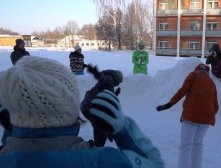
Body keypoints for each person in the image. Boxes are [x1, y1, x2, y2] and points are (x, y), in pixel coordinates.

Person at [0, 56, 164, 168]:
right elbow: (154, 164)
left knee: (99, 127)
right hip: (96, 106)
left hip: (90, 103)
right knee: (103, 126)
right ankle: (99, 144)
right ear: (68, 102)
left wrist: (11, 130)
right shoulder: (106, 161)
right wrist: (122, 130)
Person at [156, 63, 219, 168]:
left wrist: (169, 104)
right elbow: (216, 106)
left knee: (186, 145)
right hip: (207, 119)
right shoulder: (212, 82)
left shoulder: (194, 75)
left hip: (191, 115)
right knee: (198, 144)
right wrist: (207, 115)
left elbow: (182, 91)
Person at [80, 64, 123, 147]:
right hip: (91, 106)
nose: (117, 84)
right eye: (119, 82)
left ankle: (97, 145)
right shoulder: (109, 78)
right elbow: (104, 80)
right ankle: (98, 147)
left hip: (87, 105)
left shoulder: (109, 80)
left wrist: (114, 95)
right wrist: (96, 72)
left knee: (99, 127)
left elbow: (106, 94)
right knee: (102, 127)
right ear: (117, 78)